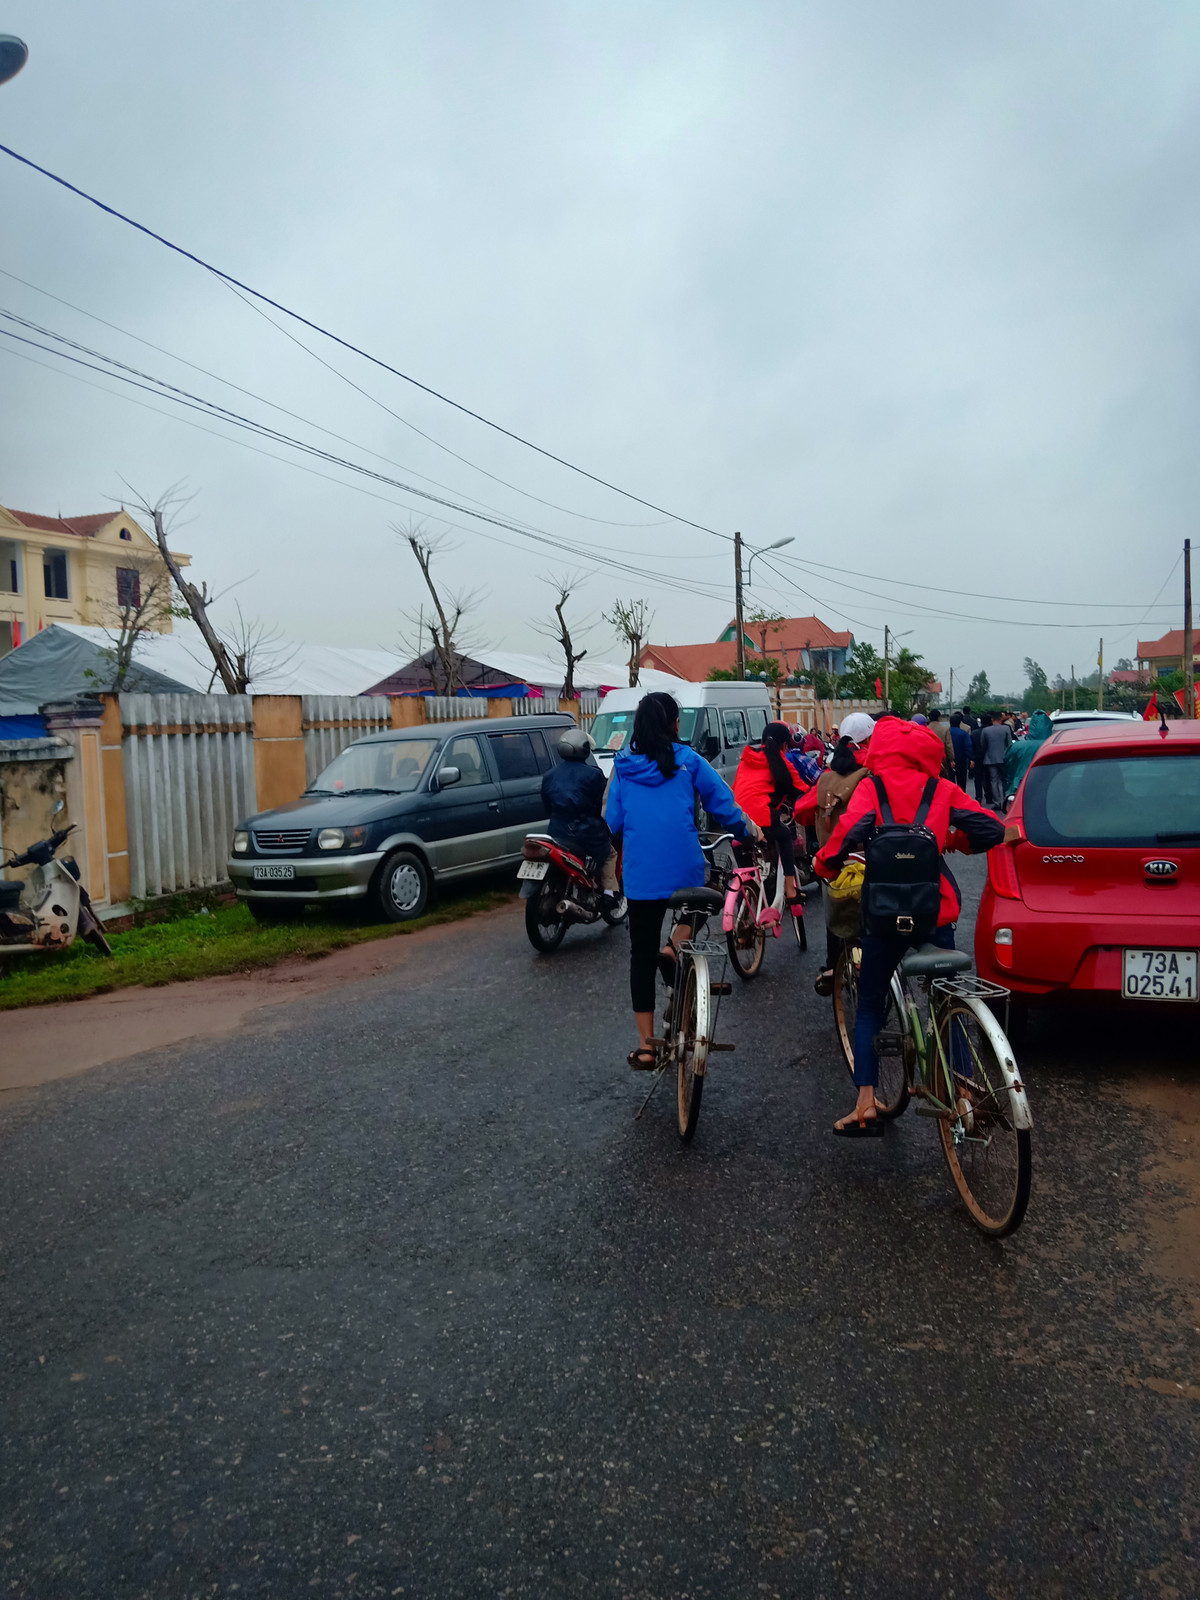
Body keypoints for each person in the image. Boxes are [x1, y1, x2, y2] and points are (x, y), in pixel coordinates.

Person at [814, 717, 1005, 1135]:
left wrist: (823, 864)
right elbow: (991, 829)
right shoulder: (942, 789)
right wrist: (952, 840)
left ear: (880, 749)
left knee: (869, 1003)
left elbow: (844, 836)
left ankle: (866, 1103)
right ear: (928, 753)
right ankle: (964, 1089)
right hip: (934, 914)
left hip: (883, 916)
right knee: (949, 998)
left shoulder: (872, 788)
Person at [605, 692, 759, 1069]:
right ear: (674, 724)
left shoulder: (622, 766)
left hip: (641, 876)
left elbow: (612, 821)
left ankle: (646, 1047)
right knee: (707, 896)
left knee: (641, 955)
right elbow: (724, 805)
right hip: (684, 869)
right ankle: (675, 946)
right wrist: (751, 831)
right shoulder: (689, 761)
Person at [797, 710, 874, 996]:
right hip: (866, 855)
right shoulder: (873, 770)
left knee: (836, 912)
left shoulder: (828, 775)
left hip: (831, 855)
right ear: (869, 739)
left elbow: (803, 811)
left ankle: (833, 965)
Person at [733, 721, 806, 917]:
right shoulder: (782, 762)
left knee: (745, 871)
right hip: (761, 818)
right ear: (785, 745)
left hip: (736, 818)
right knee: (785, 836)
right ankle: (790, 889)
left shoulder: (746, 759)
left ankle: (743, 915)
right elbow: (803, 789)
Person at [540, 726, 619, 895]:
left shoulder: (549, 775)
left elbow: (547, 807)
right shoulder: (593, 774)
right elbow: (603, 805)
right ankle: (610, 895)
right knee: (610, 854)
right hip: (587, 834)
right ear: (584, 749)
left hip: (557, 834)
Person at [1004, 707, 1052, 799]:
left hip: (1019, 787)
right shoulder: (1053, 746)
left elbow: (1007, 763)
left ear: (1031, 727)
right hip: (1048, 786)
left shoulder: (1017, 746)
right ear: (1049, 726)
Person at [978, 714, 1013, 809]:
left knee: (994, 780)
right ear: (1000, 719)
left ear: (992, 719)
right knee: (1004, 779)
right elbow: (1009, 744)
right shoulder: (1006, 728)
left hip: (990, 758)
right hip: (1004, 758)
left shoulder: (986, 730)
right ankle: (1005, 799)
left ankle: (997, 802)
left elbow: (983, 744)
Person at [927, 708, 954, 778]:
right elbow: (949, 746)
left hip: (929, 759)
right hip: (942, 759)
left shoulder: (925, 729)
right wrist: (951, 759)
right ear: (939, 718)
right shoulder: (945, 729)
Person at [949, 712, 972, 791]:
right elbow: (968, 746)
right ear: (959, 722)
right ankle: (961, 794)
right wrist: (971, 758)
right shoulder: (964, 733)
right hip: (961, 759)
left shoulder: (947, 732)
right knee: (961, 780)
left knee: (950, 780)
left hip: (949, 760)